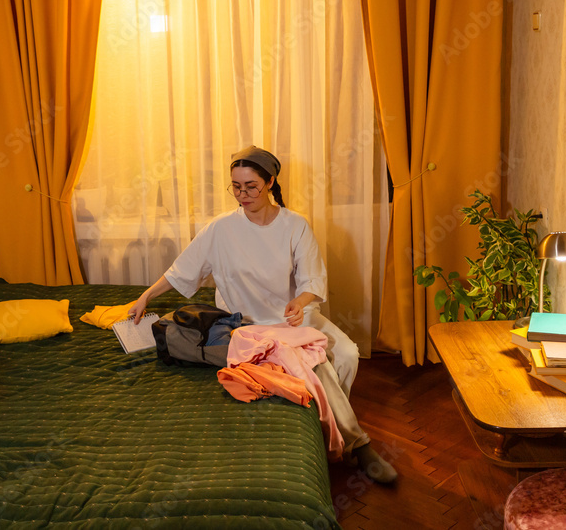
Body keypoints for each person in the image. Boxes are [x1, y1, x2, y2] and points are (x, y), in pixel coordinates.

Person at [128, 145, 397, 484]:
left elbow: (313, 278)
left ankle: (328, 425)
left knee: (347, 353)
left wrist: (300, 302)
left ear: (270, 182)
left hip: (293, 316)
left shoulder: (294, 225)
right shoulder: (221, 229)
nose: (242, 194)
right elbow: (182, 269)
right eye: (236, 187)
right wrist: (145, 295)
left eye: (250, 186)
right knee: (320, 366)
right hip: (248, 324)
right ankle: (357, 443)